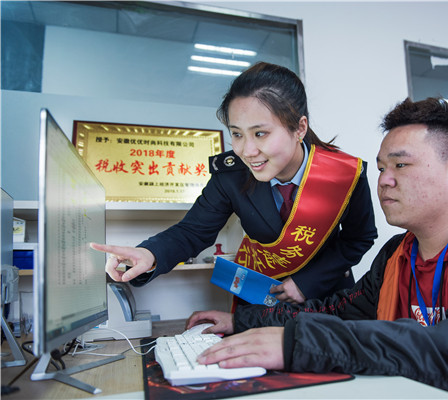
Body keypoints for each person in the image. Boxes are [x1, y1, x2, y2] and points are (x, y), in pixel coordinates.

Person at [186, 97, 448, 399]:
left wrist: (295, 344)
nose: (383, 180)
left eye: (401, 165)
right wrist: (244, 322)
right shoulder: (397, 255)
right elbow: (336, 310)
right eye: (382, 167)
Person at [91, 62, 377, 304]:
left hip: (326, 302)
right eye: (237, 134)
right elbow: (193, 231)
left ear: (299, 128)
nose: (247, 151)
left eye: (260, 133)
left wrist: (307, 282)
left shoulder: (343, 174)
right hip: (262, 300)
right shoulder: (232, 175)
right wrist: (149, 253)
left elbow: (359, 238)